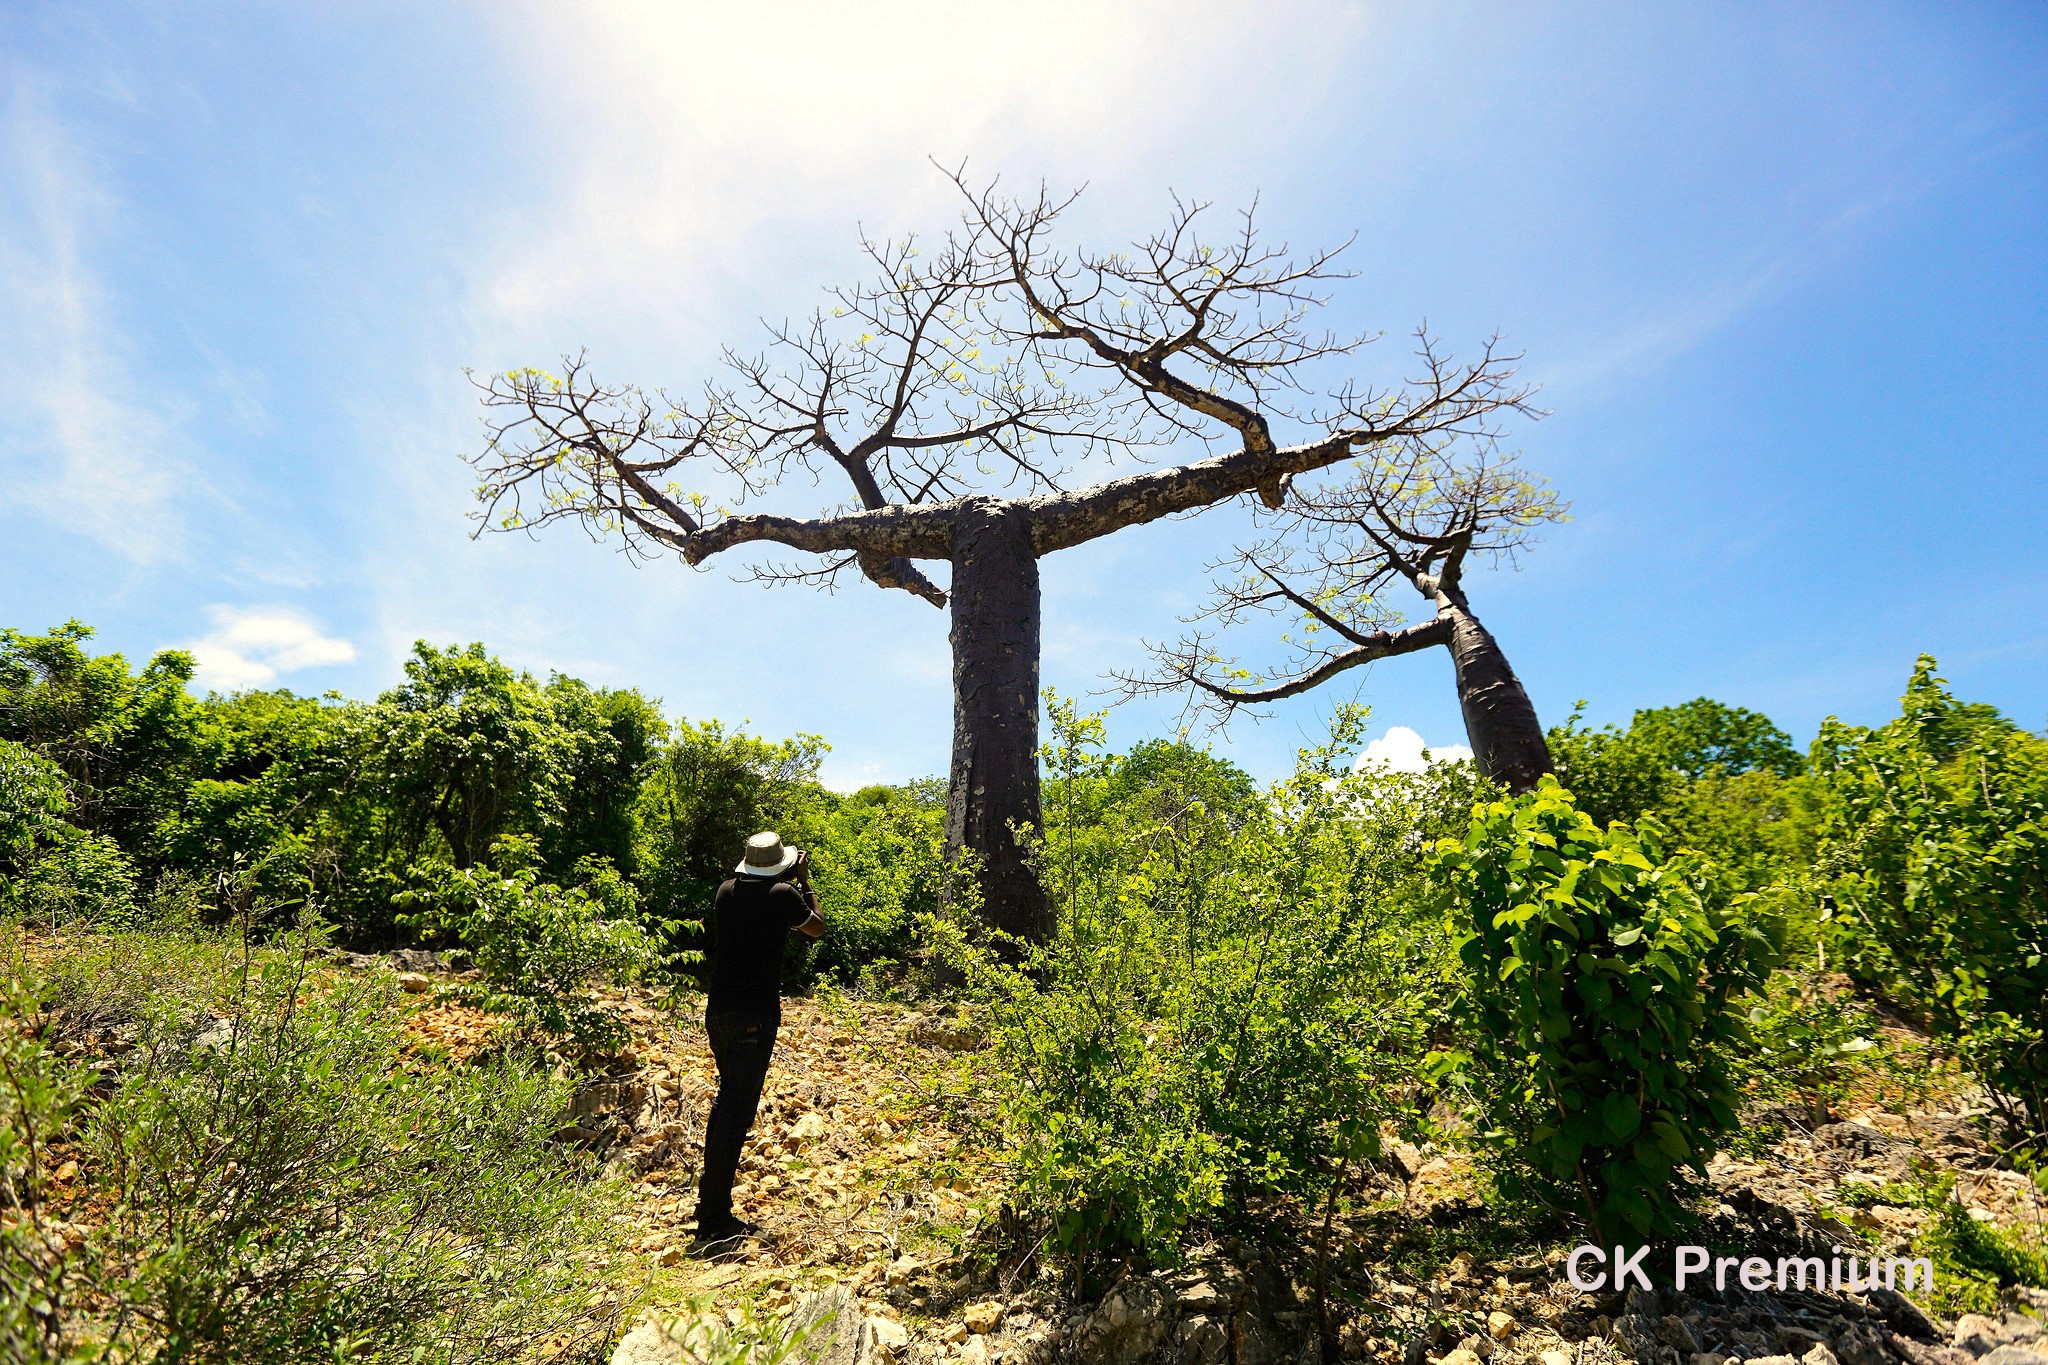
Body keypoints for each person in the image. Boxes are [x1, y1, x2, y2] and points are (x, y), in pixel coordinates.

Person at [693, 830, 824, 1250]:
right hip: (755, 1015)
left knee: (727, 1103)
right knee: (734, 1111)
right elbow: (816, 929)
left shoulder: (725, 891)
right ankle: (713, 1218)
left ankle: (710, 1207)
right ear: (783, 863)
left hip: (720, 1012)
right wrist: (805, 881)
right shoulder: (784, 893)